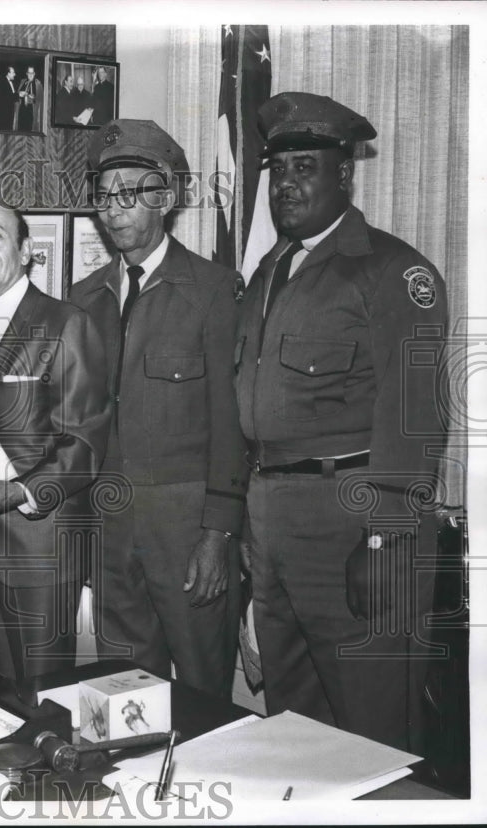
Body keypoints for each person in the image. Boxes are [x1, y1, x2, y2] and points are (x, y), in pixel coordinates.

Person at [235, 92, 448, 750]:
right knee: (296, 729)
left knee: (374, 726)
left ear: (344, 174)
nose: (288, 184)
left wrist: (385, 538)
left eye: (306, 166)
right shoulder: (270, 273)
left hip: (353, 521)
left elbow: (415, 417)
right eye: (279, 170)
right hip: (275, 522)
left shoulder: (391, 270)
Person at [70, 119, 247, 699]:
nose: (114, 209)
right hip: (110, 530)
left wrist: (217, 534)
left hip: (187, 531)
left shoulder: (214, 290)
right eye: (104, 194)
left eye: (131, 192)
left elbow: (231, 424)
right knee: (124, 695)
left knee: (203, 692)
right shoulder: (84, 298)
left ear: (166, 198)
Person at [0, 205, 111, 681]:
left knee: (44, 695)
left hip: (41, 548)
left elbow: (86, 440)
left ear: (27, 250)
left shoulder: (65, 322)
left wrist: (22, 491)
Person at [16, 66, 43, 132]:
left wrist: (34, 98)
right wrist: (20, 94)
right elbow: (17, 94)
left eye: (32, 73)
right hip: (21, 108)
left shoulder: (38, 84)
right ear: (26, 73)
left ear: (34, 74)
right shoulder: (22, 82)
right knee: (20, 129)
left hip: (32, 110)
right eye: (29, 73)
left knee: (30, 130)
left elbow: (41, 99)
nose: (30, 75)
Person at [0, 65, 20, 131]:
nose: (15, 74)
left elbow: (13, 96)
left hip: (10, 113)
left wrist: (19, 95)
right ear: (8, 73)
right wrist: (18, 95)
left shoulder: (13, 83)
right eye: (13, 73)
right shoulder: (2, 83)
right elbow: (6, 98)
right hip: (4, 115)